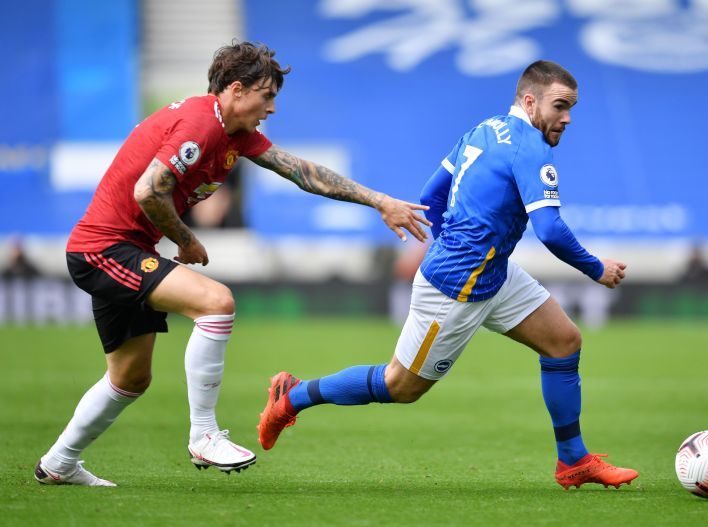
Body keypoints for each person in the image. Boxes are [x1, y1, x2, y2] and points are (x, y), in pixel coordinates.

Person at [34, 41, 430, 487]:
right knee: (216, 302)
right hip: (104, 250)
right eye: (267, 95)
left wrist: (378, 201)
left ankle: (59, 463)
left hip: (126, 249)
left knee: (129, 379)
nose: (273, 108)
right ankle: (203, 435)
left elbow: (300, 171)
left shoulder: (232, 132)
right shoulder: (201, 125)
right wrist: (185, 240)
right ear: (237, 90)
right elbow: (148, 191)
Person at [258, 60, 639, 490]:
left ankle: (573, 460)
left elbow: (431, 193)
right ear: (529, 101)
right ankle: (291, 397)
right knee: (399, 386)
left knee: (564, 342)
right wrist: (597, 268)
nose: (567, 117)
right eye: (560, 106)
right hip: (457, 286)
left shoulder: (484, 129)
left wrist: (447, 239)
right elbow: (549, 230)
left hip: (491, 272)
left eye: (572, 107)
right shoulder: (530, 147)